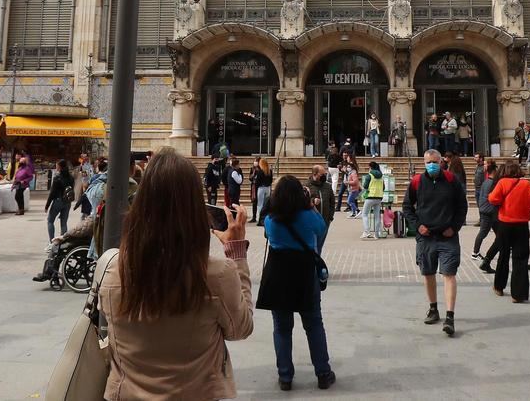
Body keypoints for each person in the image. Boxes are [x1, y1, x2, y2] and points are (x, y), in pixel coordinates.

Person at [99, 148, 253, 399]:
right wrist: (236, 254)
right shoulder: (216, 275)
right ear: (195, 207)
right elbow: (241, 328)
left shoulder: (112, 269)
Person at [259, 175, 335, 391]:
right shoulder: (309, 217)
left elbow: (266, 228)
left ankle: (285, 376)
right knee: (313, 324)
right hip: (304, 273)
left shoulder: (271, 220)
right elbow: (321, 230)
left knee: (282, 328)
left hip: (278, 274)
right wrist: (310, 205)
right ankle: (323, 372)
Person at [403, 149, 467, 336]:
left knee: (449, 274)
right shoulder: (416, 182)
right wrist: (417, 226)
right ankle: (433, 308)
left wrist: (454, 227)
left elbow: (462, 206)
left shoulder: (451, 180)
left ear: (441, 162)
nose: (431, 164)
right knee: (428, 273)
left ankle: (450, 316)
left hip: (448, 237)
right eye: (428, 161)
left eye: (435, 161)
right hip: (426, 237)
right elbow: (407, 207)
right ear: (424, 162)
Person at [488, 160, 530, 303]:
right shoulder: (526, 184)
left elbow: (492, 199)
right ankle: (518, 294)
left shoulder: (502, 183)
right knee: (521, 259)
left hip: (505, 224)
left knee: (503, 256)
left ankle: (499, 286)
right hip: (522, 225)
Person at [472, 161, 499, 261]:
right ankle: (475, 252)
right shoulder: (492, 183)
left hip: (487, 210)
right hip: (489, 211)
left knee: (499, 232)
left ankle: (503, 246)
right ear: (494, 171)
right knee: (483, 233)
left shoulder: (486, 182)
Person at [307, 165, 335, 253]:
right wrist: (312, 200)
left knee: (319, 246)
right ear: (315, 174)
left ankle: (317, 263)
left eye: (325, 174)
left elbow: (332, 202)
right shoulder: (306, 186)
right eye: (322, 174)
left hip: (325, 221)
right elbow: (301, 201)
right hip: (312, 221)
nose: (324, 176)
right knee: (312, 246)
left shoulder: (327, 186)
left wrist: (330, 217)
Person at [44, 160, 74, 241]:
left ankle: (52, 241)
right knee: (64, 223)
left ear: (60, 167)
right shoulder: (71, 177)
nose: (56, 167)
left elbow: (52, 193)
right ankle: (63, 241)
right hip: (67, 202)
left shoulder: (57, 178)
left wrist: (47, 205)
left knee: (50, 221)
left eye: (56, 165)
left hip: (58, 201)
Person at [361, 161, 385, 239]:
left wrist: (360, 194)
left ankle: (367, 232)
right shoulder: (381, 176)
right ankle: (376, 234)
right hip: (379, 197)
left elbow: (365, 186)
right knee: (377, 216)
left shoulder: (369, 175)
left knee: (364, 214)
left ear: (370, 167)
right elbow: (383, 187)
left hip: (370, 197)